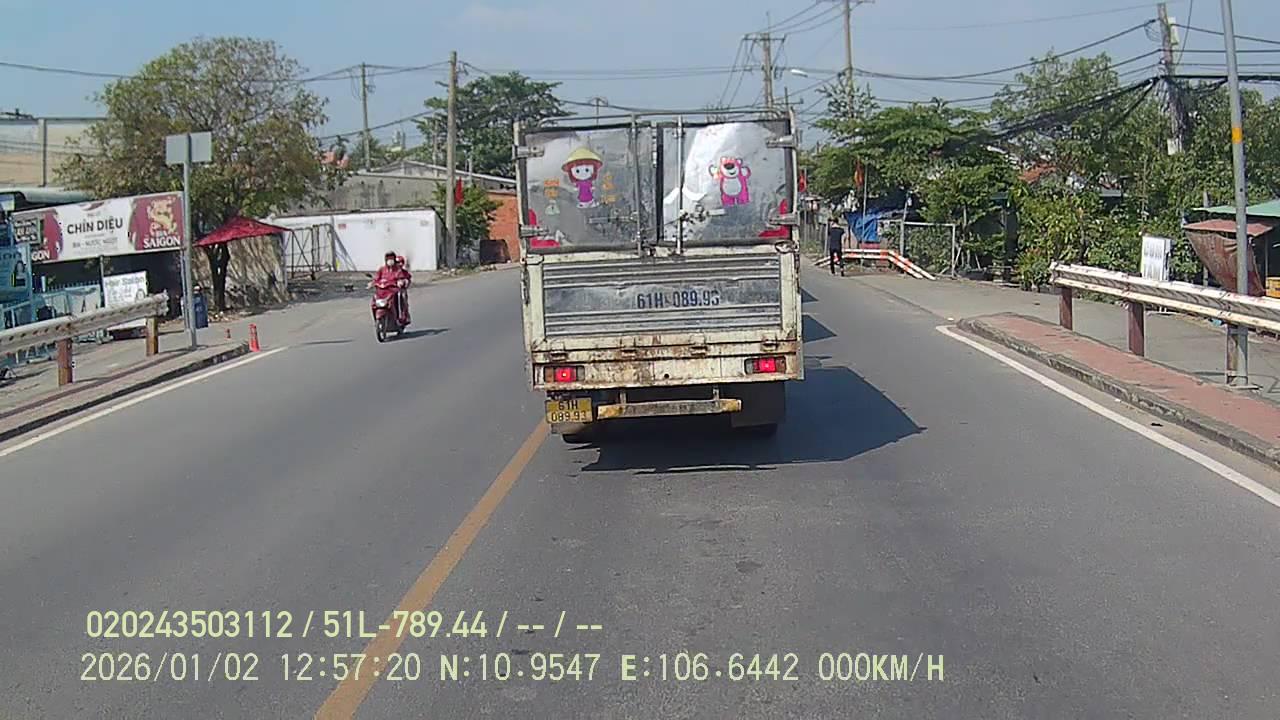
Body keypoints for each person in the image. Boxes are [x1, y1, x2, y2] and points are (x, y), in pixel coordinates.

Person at [369, 251, 411, 326]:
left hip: (393, 291)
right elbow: (376, 278)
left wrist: (400, 282)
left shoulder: (398, 270)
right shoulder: (382, 269)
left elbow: (401, 277)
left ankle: (401, 317)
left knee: (400, 297)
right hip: (382, 291)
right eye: (388, 259)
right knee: (373, 301)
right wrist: (372, 283)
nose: (390, 261)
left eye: (391, 259)